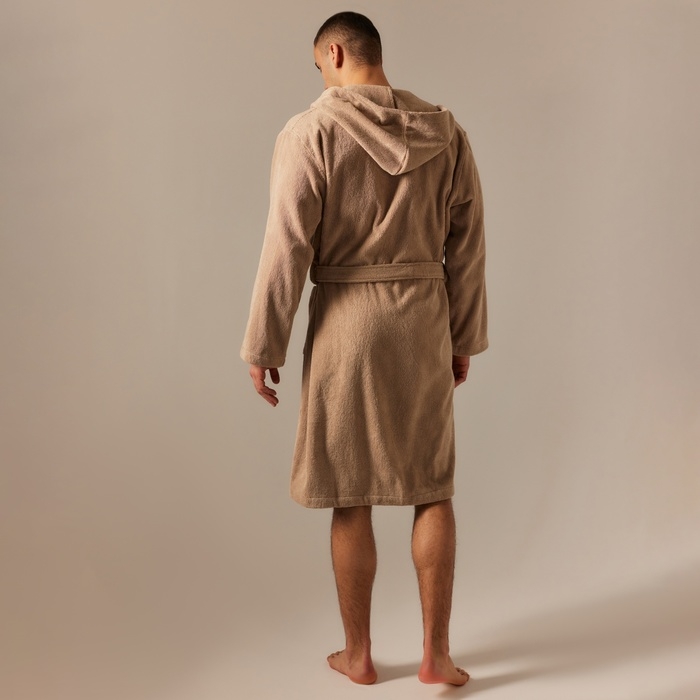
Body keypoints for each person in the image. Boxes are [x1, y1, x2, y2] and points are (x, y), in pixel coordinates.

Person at [241, 11, 487, 686]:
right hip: (424, 319)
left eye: (318, 66)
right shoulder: (446, 132)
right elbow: (467, 246)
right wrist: (463, 335)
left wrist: (265, 342)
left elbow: (287, 243)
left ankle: (358, 655)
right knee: (432, 486)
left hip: (347, 326)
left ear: (335, 52)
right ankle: (437, 656)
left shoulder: (311, 132)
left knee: (351, 493)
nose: (320, 79)